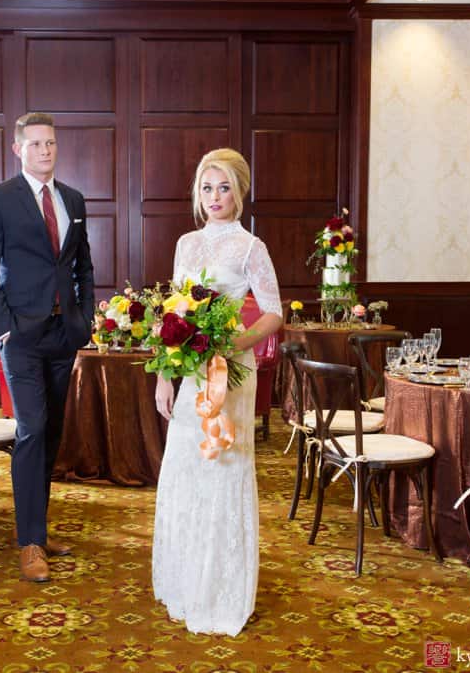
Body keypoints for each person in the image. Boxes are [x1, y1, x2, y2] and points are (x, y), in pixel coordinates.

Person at [152, 148, 283, 636]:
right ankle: (186, 580)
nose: (215, 197)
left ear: (240, 192)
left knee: (222, 464)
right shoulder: (186, 243)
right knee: (186, 465)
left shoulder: (252, 248)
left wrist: (234, 342)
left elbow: (273, 312)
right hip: (189, 370)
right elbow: (172, 314)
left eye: (224, 187)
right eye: (207, 188)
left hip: (231, 372)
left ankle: (222, 586)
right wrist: (165, 374)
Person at [0, 112, 95, 582]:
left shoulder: (73, 200)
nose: (46, 150)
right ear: (19, 149)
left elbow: (83, 266)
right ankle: (28, 545)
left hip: (65, 334)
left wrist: (83, 319)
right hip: (20, 336)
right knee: (32, 428)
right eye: (37, 144)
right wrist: (3, 330)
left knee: (53, 433)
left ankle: (37, 530)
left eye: (52, 143)